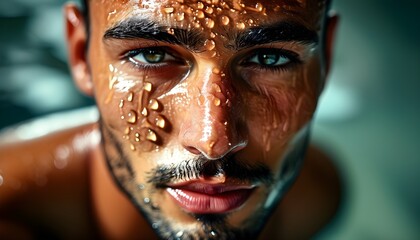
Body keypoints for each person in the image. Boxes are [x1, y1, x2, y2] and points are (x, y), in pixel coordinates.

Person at [0, 0, 341, 239]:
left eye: (269, 58)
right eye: (153, 55)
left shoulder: (313, 197)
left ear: (326, 57)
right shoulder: (12, 217)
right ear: (80, 53)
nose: (213, 141)